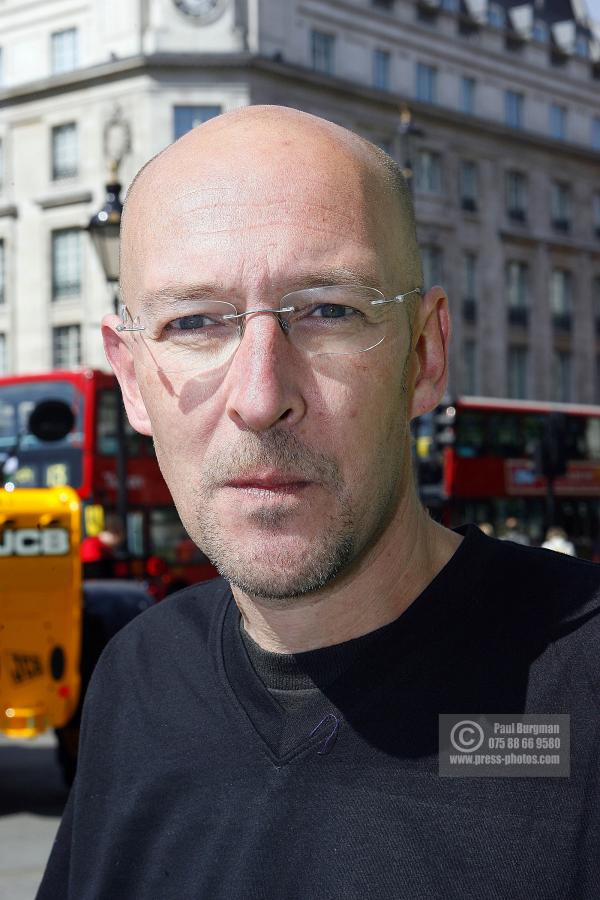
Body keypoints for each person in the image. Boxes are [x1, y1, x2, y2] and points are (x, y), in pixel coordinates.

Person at [37, 107, 599, 899]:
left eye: (328, 311)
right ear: (132, 378)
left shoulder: (582, 697)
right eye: (194, 321)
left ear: (425, 354)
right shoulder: (138, 676)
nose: (261, 398)